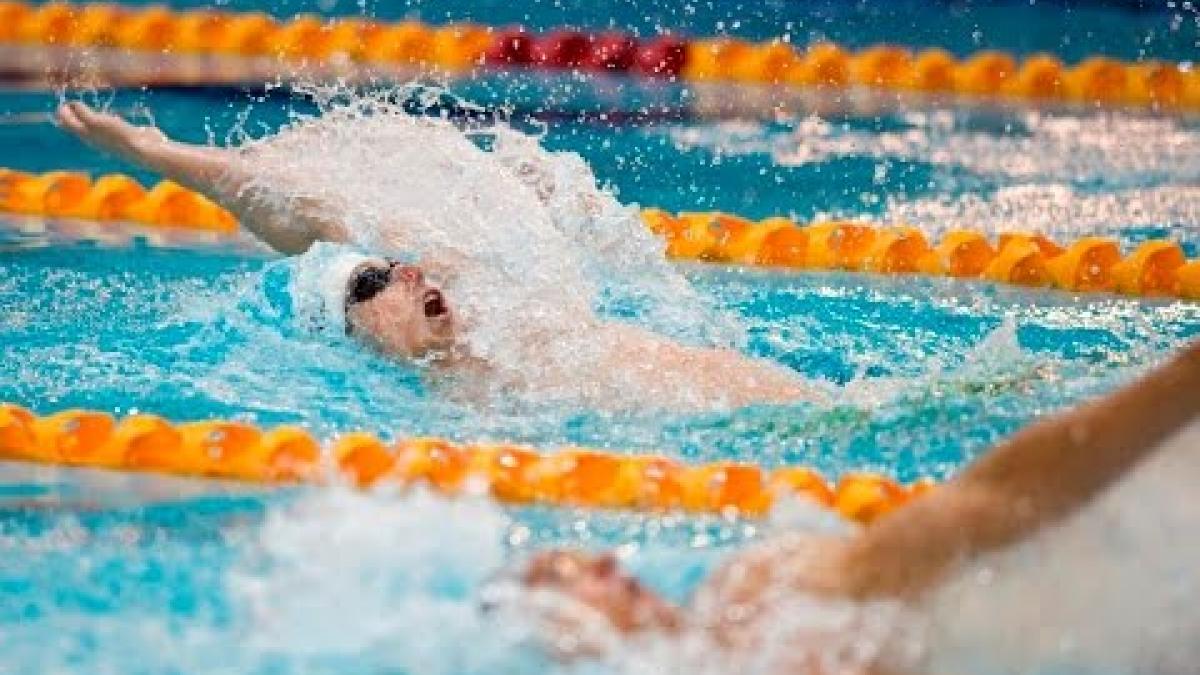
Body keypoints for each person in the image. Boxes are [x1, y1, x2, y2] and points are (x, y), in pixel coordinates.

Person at [55, 101, 825, 412]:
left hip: (792, 404)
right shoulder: (445, 425)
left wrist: (157, 152)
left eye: (394, 261)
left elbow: (305, 214)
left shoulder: (502, 307)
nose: (409, 269)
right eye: (374, 280)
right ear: (350, 338)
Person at [512, 338, 1200, 673]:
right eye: (565, 580)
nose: (604, 557)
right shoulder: (768, 632)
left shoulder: (764, 593)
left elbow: (979, 508)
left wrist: (1178, 385)